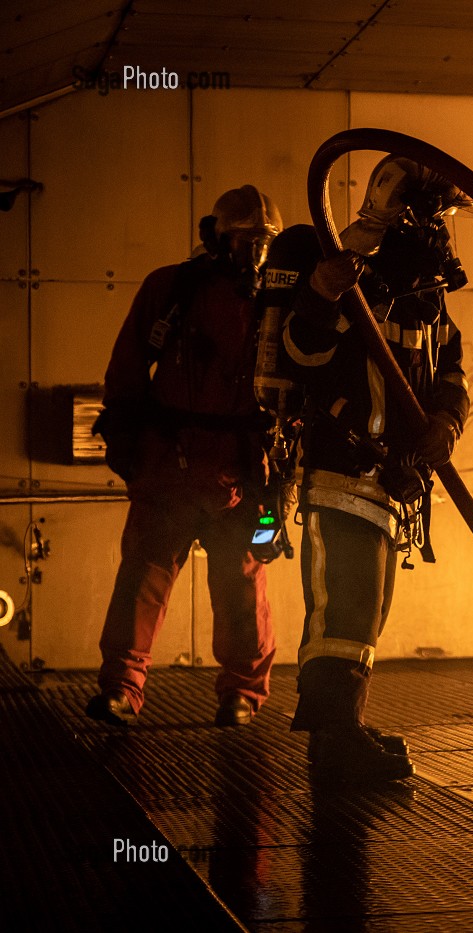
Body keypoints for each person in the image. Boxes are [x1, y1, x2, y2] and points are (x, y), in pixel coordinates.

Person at [262, 156, 471, 784]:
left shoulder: (423, 286)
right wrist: (324, 292)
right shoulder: (342, 269)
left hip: (395, 475)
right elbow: (301, 353)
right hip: (342, 462)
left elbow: (450, 366)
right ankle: (331, 739)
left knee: (367, 611)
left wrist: (446, 423)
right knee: (342, 612)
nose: (440, 233)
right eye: (432, 216)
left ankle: (346, 723)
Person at [88, 185, 281, 728]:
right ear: (216, 237)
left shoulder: (279, 301)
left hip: (243, 473)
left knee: (243, 586)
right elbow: (129, 361)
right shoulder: (171, 289)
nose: (255, 254)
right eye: (245, 240)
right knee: (141, 582)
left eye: (264, 242)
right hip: (168, 466)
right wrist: (124, 432)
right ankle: (122, 688)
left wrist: (282, 472)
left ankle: (242, 692)